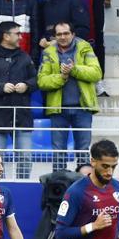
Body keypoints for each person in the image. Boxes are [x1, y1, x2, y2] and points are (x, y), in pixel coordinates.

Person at [0, 21, 37, 180]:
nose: (20, 36)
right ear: (5, 36)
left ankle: (22, 187)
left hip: (22, 115)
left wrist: (27, 86)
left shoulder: (25, 57)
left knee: (25, 158)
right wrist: (0, 87)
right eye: (17, 33)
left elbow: (36, 80)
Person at [38, 21, 102, 171]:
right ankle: (60, 185)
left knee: (83, 151)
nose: (63, 37)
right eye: (59, 34)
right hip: (58, 109)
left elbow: (96, 73)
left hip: (83, 107)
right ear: (54, 36)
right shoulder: (48, 52)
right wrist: (62, 77)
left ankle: (84, 188)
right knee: (58, 152)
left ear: (73, 34)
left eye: (66, 33)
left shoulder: (85, 48)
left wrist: (74, 70)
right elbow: (42, 81)